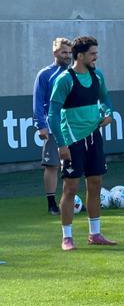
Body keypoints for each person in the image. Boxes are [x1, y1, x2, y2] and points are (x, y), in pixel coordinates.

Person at [47, 36, 116, 250]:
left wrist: (108, 113)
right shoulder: (65, 80)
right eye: (93, 53)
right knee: (70, 188)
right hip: (72, 140)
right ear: (80, 55)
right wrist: (61, 144)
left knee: (95, 184)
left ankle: (95, 234)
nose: (96, 57)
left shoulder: (98, 76)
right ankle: (67, 237)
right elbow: (52, 115)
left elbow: (105, 100)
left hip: (94, 137)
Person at [33, 38, 72, 216]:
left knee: (74, 163)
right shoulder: (45, 74)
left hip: (74, 127)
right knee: (52, 165)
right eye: (64, 52)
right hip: (53, 126)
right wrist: (41, 125)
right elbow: (38, 102)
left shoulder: (74, 73)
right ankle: (51, 203)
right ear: (55, 53)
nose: (67, 56)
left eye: (69, 53)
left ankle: (70, 199)